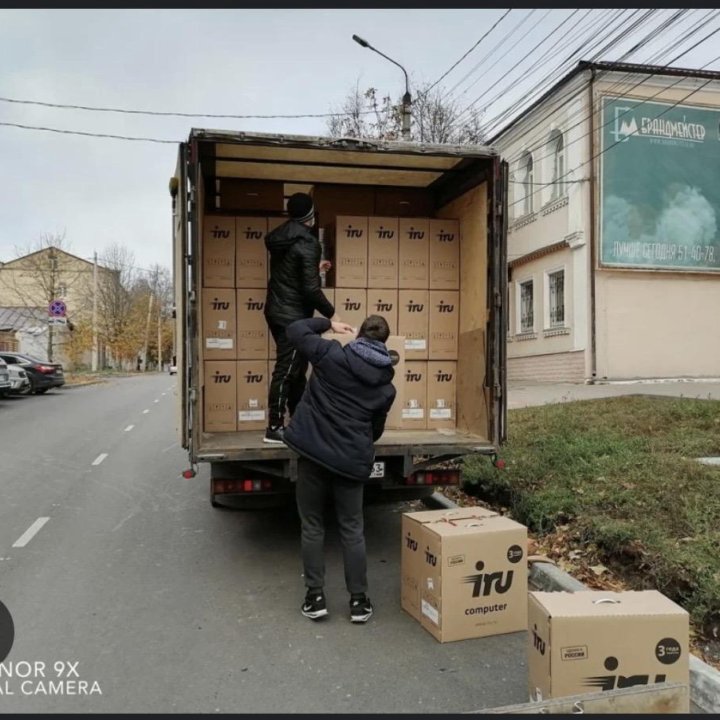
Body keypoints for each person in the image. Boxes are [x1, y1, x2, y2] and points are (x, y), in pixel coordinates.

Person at [282, 314, 397, 624]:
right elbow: (375, 431)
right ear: (384, 345)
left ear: (358, 335)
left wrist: (328, 324)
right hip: (349, 463)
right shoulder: (386, 389)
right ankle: (359, 602)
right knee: (352, 529)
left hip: (313, 457)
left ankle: (315, 597)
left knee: (313, 526)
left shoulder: (331, 354)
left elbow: (294, 329)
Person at [263, 192, 334, 444]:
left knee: (297, 368)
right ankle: (274, 426)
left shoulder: (282, 237)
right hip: (293, 316)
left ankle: (299, 420)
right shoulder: (309, 243)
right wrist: (331, 314)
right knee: (287, 369)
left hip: (277, 310)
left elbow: (290, 271)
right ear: (310, 215)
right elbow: (310, 290)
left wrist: (315, 268)